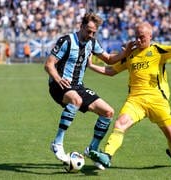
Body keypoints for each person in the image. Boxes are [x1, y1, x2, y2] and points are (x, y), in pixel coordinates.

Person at [88, 22, 171, 168]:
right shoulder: (130, 55)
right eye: (136, 37)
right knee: (120, 124)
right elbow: (111, 71)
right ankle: (107, 155)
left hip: (158, 102)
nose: (138, 40)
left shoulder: (158, 50)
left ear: (150, 36)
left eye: (142, 37)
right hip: (135, 101)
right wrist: (91, 66)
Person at [44, 12, 134, 169]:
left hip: (78, 86)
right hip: (59, 85)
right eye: (88, 31)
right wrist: (58, 79)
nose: (91, 35)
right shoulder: (66, 40)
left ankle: (92, 149)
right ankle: (57, 142)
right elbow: (49, 64)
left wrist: (125, 53)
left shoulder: (92, 42)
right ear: (81, 26)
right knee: (76, 100)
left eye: (94, 32)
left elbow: (109, 59)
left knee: (108, 112)